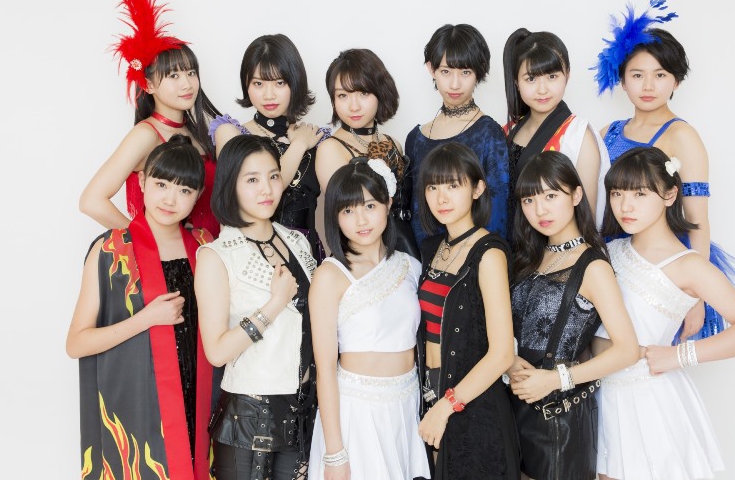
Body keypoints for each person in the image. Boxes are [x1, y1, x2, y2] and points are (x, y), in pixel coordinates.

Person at [593, 146, 735, 480]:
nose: (625, 206)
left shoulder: (688, 265)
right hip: (600, 393)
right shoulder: (608, 250)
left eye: (640, 193)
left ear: (669, 194)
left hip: (647, 397)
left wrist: (678, 355)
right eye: (617, 193)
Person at [592, 0, 735, 341]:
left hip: (661, 264)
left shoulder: (682, 136)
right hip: (614, 253)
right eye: (637, 75)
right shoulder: (608, 131)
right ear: (622, 81)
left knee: (648, 346)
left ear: (676, 82)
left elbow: (697, 218)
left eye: (660, 75)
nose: (648, 86)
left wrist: (695, 295)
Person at [67, 134, 216, 479]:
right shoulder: (111, 251)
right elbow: (76, 343)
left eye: (184, 190)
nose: (170, 199)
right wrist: (147, 319)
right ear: (143, 182)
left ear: (197, 196)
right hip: (137, 406)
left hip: (199, 400)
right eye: (162, 184)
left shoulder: (205, 246)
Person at [507, 151, 639, 480]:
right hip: (514, 406)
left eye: (551, 196)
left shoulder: (592, 266)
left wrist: (554, 379)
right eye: (529, 200)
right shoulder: (527, 257)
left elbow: (627, 350)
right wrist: (509, 361)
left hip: (560, 418)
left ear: (576, 195)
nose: (540, 210)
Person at [194, 135, 317, 480]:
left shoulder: (297, 241)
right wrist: (274, 305)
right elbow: (217, 351)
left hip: (303, 410)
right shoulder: (217, 256)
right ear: (230, 185)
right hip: (249, 418)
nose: (267, 189)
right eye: (252, 180)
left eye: (273, 176)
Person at [308, 158, 430, 480]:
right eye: (348, 210)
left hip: (406, 405)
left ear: (388, 204)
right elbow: (325, 369)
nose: (361, 220)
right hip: (356, 412)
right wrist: (335, 452)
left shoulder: (410, 267)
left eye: (370, 206)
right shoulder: (330, 275)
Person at [80, 0, 221, 236]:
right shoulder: (146, 134)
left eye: (191, 73)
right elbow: (91, 201)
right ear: (148, 85)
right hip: (169, 258)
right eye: (173, 76)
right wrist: (153, 242)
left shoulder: (199, 131)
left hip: (210, 253)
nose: (187, 84)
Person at [416, 142, 518, 479]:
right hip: (429, 392)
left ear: (477, 189)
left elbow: (502, 354)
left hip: (471, 403)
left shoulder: (489, 253)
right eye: (433, 187)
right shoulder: (432, 248)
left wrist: (447, 405)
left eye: (453, 185)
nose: (441, 198)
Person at [209, 34, 329, 261]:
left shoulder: (316, 138)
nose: (268, 94)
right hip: (252, 257)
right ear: (246, 84)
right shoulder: (231, 133)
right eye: (258, 83)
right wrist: (299, 145)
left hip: (307, 258)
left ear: (295, 82)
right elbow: (266, 188)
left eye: (279, 83)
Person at [405, 23, 509, 246]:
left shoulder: (488, 133)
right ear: (431, 69)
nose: (455, 84)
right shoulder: (416, 138)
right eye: (446, 72)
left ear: (478, 72)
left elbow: (498, 215)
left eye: (465, 72)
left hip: (475, 258)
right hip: (424, 259)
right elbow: (415, 212)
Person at [316, 48, 418, 258]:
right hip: (362, 256)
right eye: (343, 95)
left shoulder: (394, 143)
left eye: (363, 93)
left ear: (380, 92)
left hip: (405, 248)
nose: (353, 106)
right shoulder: (331, 149)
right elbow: (346, 217)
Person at [503, 28, 609, 224]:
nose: (542, 90)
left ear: (567, 74)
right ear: (516, 82)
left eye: (552, 76)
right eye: (531, 79)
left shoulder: (579, 136)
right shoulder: (508, 130)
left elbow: (587, 216)